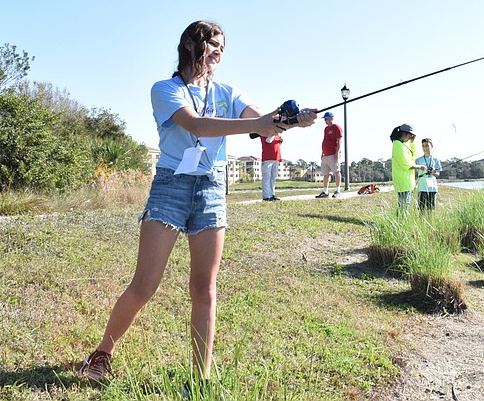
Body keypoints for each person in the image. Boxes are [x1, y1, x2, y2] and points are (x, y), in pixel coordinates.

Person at [78, 20, 316, 384]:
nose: (220, 51)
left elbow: (254, 120)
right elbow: (197, 125)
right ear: (192, 44)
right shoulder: (165, 89)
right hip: (170, 187)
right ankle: (101, 355)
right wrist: (263, 124)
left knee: (205, 288)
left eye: (223, 46)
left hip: (210, 189)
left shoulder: (228, 90)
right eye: (213, 44)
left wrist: (287, 122)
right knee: (144, 285)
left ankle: (200, 378)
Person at [390, 124, 426, 210]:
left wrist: (412, 143)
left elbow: (414, 156)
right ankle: (401, 222)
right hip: (402, 180)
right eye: (409, 137)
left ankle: (402, 222)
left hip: (408, 180)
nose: (410, 139)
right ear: (404, 134)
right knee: (404, 205)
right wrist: (419, 167)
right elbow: (405, 164)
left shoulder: (405, 144)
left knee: (406, 204)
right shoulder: (397, 145)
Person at [316, 111, 343, 198]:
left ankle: (337, 190)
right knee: (325, 173)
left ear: (331, 118)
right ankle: (325, 191)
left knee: (336, 171)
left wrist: (337, 153)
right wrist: (322, 152)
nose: (325, 121)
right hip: (326, 154)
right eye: (325, 119)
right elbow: (325, 140)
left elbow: (339, 141)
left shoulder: (337, 127)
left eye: (326, 119)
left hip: (333, 153)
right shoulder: (326, 129)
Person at [416, 138, 442, 210]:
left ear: (431, 146)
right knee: (421, 209)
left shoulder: (436, 160)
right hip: (422, 187)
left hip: (432, 188)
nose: (425, 148)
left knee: (430, 210)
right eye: (423, 146)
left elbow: (438, 174)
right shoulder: (418, 160)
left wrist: (434, 172)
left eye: (427, 145)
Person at [260, 133, 283, 201]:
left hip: (276, 157)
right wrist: (274, 133)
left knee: (273, 177)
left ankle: (272, 194)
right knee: (267, 177)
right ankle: (266, 196)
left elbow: (276, 143)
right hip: (267, 158)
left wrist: (280, 140)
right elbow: (269, 140)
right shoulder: (265, 132)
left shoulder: (277, 134)